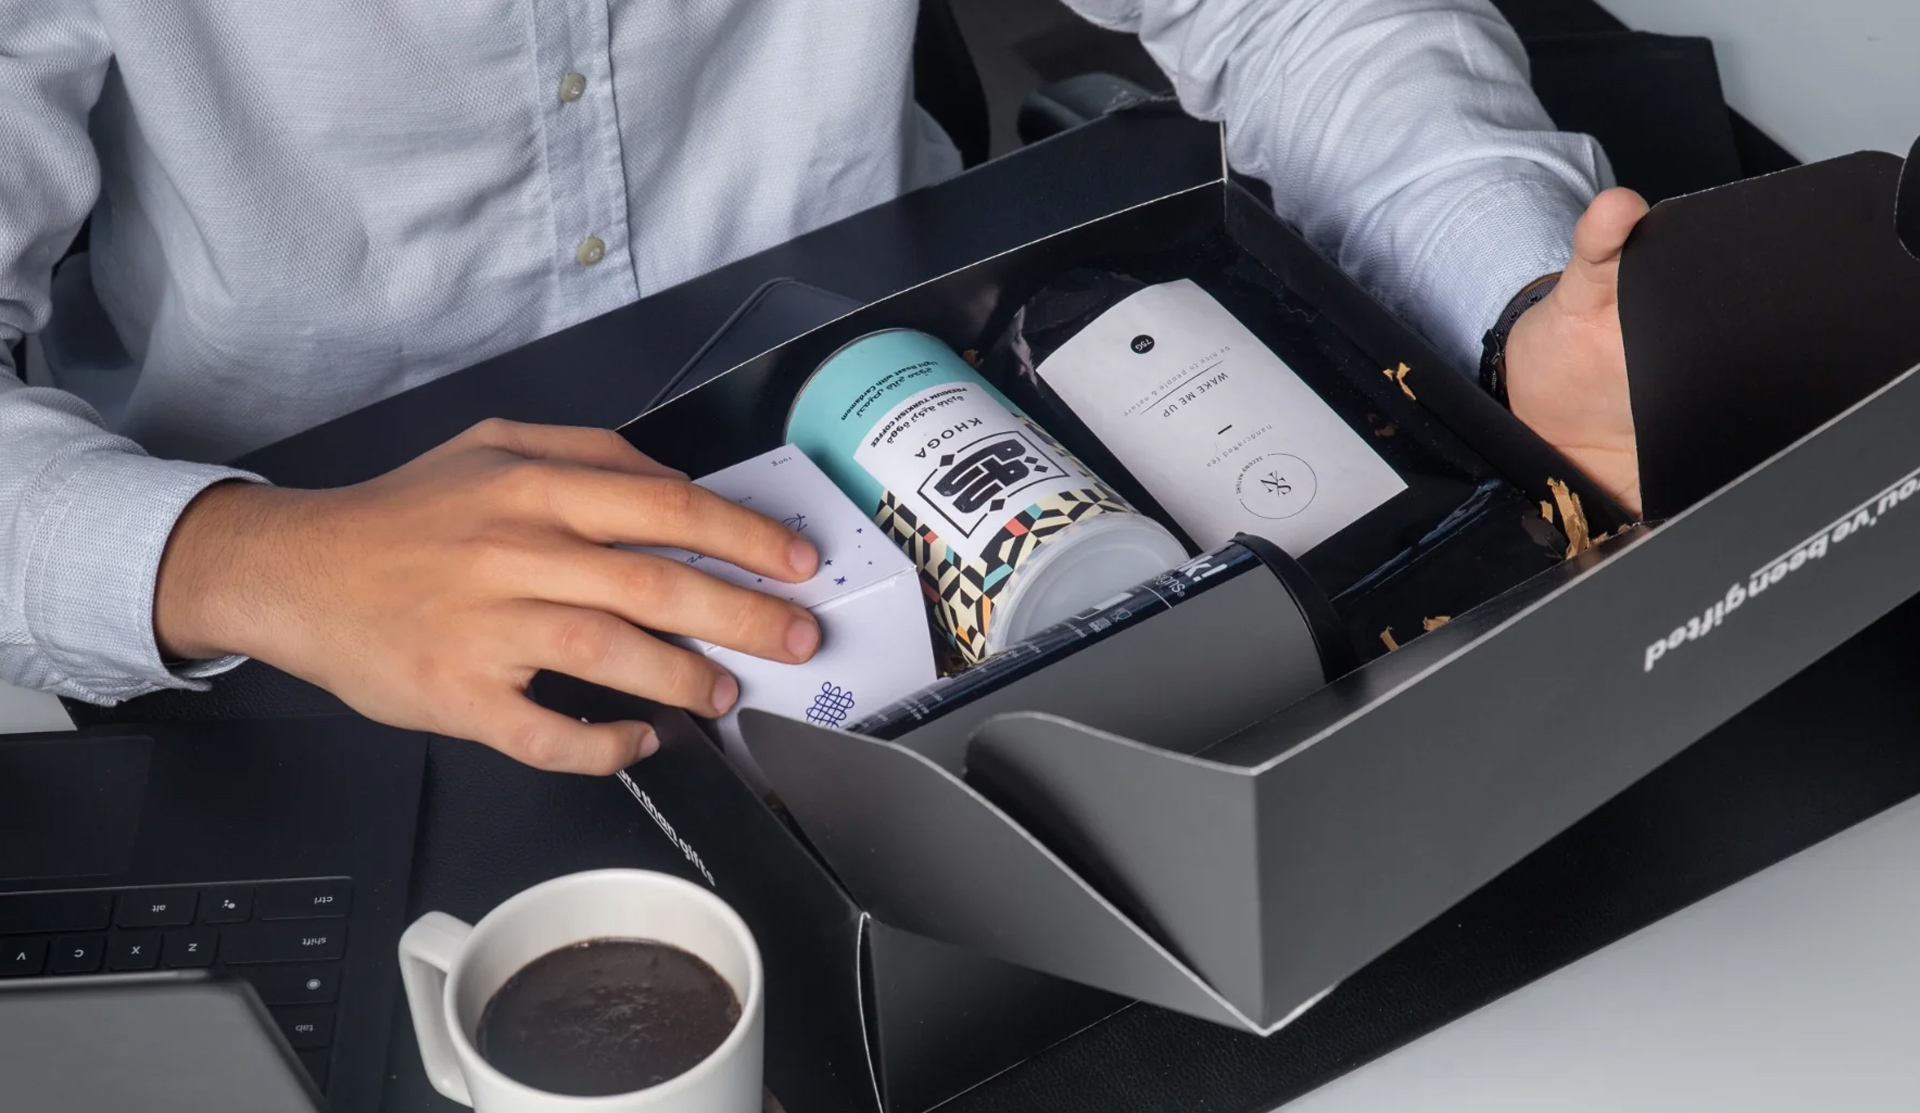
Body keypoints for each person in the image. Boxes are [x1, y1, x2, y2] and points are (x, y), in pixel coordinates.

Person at [0, 0, 1643, 774]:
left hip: (929, 444)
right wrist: (245, 562)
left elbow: (1293, 16)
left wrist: (1512, 317)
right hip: (302, 630)